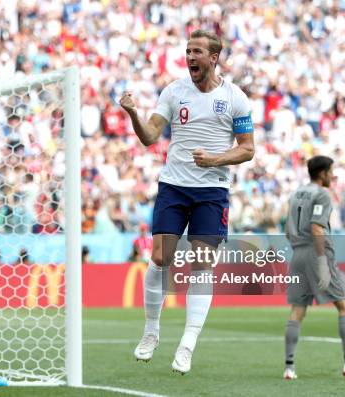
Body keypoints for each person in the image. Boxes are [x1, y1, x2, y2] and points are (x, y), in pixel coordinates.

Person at [119, 29, 255, 374]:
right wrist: (134, 114)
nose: (190, 56)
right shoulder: (174, 91)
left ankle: (188, 343)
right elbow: (150, 136)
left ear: (214, 58)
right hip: (174, 186)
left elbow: (247, 148)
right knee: (161, 255)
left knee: (202, 264)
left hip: (212, 191)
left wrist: (214, 160)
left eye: (196, 51)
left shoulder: (236, 98)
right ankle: (151, 332)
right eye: (187, 51)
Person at [283, 156, 345, 380]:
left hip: (297, 254)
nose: (333, 176)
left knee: (297, 310)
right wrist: (322, 262)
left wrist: (300, 248)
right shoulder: (322, 194)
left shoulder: (296, 193)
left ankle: (289, 368)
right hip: (317, 254)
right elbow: (317, 229)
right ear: (323, 173)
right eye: (331, 171)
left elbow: (287, 230)